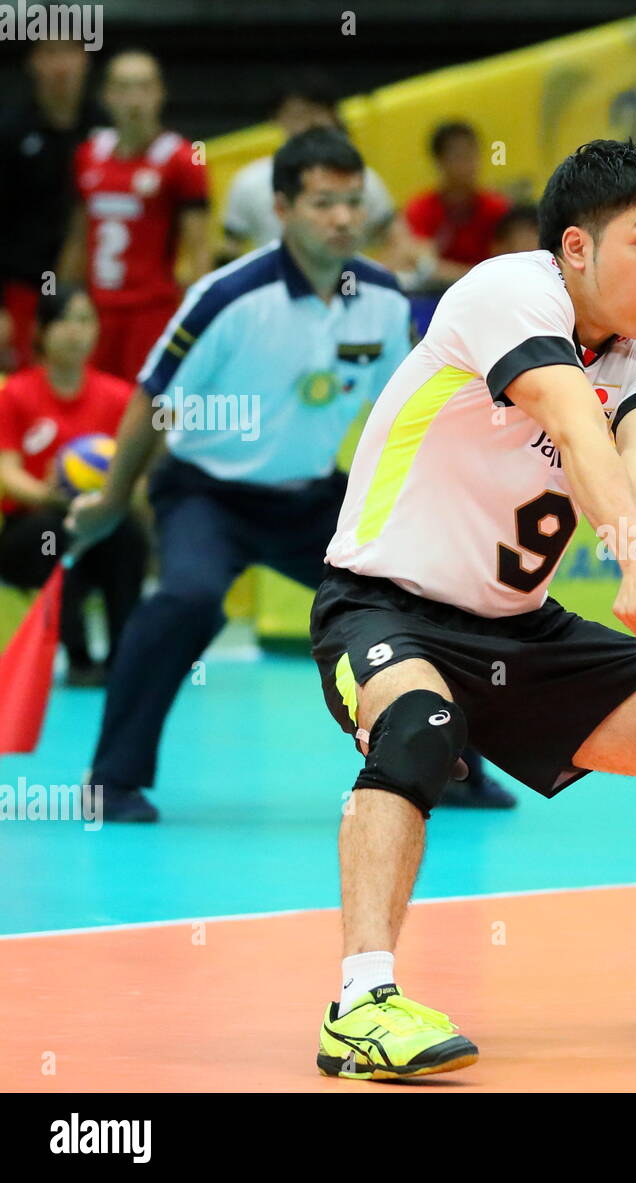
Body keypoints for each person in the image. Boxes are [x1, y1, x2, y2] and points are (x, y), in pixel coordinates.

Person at [309, 138, 636, 1081]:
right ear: (576, 249)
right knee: (420, 732)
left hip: (522, 629)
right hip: (385, 607)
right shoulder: (504, 293)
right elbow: (569, 415)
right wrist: (633, 553)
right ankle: (361, 1003)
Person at [63, 128, 412, 822]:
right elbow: (153, 395)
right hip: (206, 494)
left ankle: (447, 765)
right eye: (322, 203)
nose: (342, 218)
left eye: (352, 202)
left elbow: (398, 412)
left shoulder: (383, 299)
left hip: (312, 497)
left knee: (419, 598)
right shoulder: (226, 296)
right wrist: (110, 499)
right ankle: (113, 778)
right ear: (281, 208)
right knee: (188, 596)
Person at [0, 286, 148, 686]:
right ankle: (80, 660)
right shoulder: (15, 393)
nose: (74, 332)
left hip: (99, 521)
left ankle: (123, 657)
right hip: (30, 530)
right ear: (42, 332)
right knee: (55, 531)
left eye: (84, 320)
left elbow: (139, 478)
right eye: (63, 320)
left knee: (129, 535)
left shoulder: (121, 397)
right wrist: (47, 494)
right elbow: (6, 471)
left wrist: (115, 493)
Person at [58, 50, 210, 384]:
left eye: (144, 87)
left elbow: (199, 250)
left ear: (160, 93)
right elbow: (78, 238)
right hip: (95, 311)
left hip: (151, 311)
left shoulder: (183, 159)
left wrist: (198, 317)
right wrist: (60, 302)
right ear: (106, 95)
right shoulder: (89, 154)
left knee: (143, 405)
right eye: (124, 88)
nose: (134, 100)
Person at [0, 38, 102, 374]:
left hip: (94, 291)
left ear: (85, 59)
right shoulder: (10, 132)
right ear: (33, 62)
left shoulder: (106, 130)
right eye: (50, 53)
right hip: (25, 289)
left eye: (70, 52)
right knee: (27, 388)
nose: (61, 65)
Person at [219, 72, 396, 262]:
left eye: (317, 113)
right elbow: (229, 251)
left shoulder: (364, 180)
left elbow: (397, 243)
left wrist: (369, 282)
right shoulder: (249, 181)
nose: (309, 123)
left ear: (333, 115)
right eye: (298, 115)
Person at [391, 122, 511, 291]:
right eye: (459, 157)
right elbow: (426, 266)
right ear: (440, 162)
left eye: (472, 155)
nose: (470, 165)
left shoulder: (497, 208)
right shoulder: (421, 209)